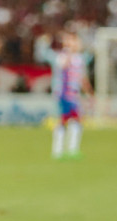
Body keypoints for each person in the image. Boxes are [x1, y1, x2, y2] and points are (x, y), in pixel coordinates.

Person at [35, 30, 94, 160]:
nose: (75, 43)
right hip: (61, 95)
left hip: (74, 96)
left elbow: (81, 77)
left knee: (77, 121)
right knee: (61, 121)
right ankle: (57, 150)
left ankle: (72, 149)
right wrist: (66, 51)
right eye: (71, 40)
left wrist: (89, 92)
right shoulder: (61, 57)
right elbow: (57, 61)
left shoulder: (80, 59)